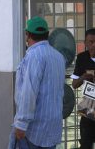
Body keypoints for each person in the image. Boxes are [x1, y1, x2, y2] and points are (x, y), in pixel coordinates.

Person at [8, 16, 66, 149]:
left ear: (27, 35)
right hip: (53, 127)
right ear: (47, 35)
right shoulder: (58, 57)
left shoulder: (34, 55)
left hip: (34, 130)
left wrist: (21, 124)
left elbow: (29, 92)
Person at [71, 28, 95, 149]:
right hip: (87, 110)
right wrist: (83, 77)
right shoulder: (81, 58)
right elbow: (74, 84)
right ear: (85, 43)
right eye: (90, 42)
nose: (93, 45)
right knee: (85, 144)